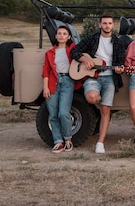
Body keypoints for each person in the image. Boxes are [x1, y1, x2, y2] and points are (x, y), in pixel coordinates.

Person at [70, 14, 126, 153]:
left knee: (106, 110)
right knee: (91, 98)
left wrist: (120, 69)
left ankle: (100, 143)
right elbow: (74, 51)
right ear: (100, 25)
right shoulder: (92, 38)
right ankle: (101, 101)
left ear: (113, 26)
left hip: (109, 78)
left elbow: (121, 63)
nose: (107, 26)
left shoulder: (118, 43)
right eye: (104, 23)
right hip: (93, 77)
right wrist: (85, 60)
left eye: (110, 23)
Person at [42, 25, 79, 153]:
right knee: (53, 114)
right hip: (53, 82)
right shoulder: (50, 53)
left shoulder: (72, 49)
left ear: (69, 36)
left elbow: (80, 56)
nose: (61, 35)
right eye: (59, 33)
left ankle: (68, 139)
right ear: (56, 36)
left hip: (67, 81)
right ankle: (58, 142)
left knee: (63, 113)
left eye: (64, 33)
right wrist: (45, 87)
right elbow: (46, 71)